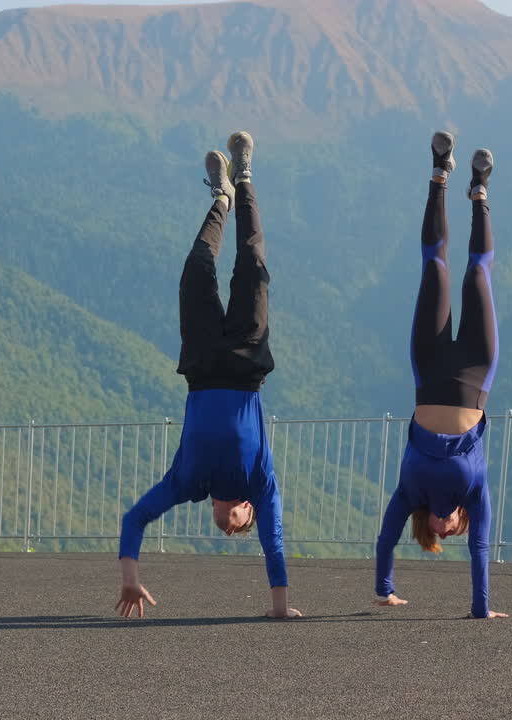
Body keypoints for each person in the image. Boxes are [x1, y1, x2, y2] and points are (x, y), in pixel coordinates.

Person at [116, 131, 300, 620]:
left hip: (200, 367)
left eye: (228, 530)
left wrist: (131, 581)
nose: (229, 529)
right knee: (253, 265)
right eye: (240, 528)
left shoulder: (187, 483)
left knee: (196, 269)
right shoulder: (261, 484)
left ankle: (221, 198)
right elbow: (275, 543)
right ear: (247, 510)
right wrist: (280, 607)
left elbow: (134, 519)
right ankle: (243, 177)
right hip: (245, 365)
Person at [373, 131, 509, 620]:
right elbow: (482, 548)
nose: (453, 532)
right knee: (476, 274)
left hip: (428, 369)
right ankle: (480, 191)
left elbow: (385, 538)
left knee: (435, 269)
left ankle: (439, 172)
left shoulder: (409, 493)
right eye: (457, 531)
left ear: (428, 526)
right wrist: (482, 609)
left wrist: (384, 589)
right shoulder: (476, 494)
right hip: (476, 373)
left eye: (442, 533)